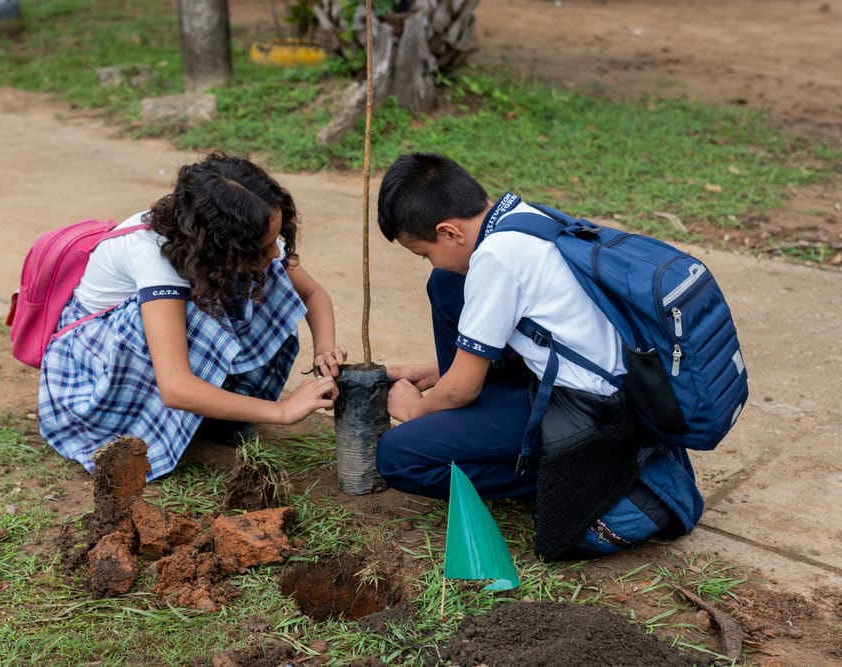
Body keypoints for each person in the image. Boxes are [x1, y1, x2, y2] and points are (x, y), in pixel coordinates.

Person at [375, 152, 704, 560]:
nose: (428, 261)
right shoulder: (521, 216)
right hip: (602, 386)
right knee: (446, 282)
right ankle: (533, 451)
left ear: (450, 232)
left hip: (589, 415)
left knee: (398, 456)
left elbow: (460, 392)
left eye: (423, 252)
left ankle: (581, 476)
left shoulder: (495, 259)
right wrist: (440, 372)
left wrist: (417, 409)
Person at [39, 151, 346, 481]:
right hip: (94, 375)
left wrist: (324, 351)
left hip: (152, 360)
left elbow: (313, 294)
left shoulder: (242, 233)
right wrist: (281, 411)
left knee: (271, 282)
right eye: (263, 246)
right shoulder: (154, 255)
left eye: (276, 239)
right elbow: (175, 387)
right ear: (221, 245)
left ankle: (214, 418)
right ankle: (142, 428)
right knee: (201, 316)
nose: (274, 251)